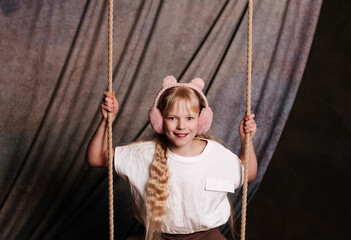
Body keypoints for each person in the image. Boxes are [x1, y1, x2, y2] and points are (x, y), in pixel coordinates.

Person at [86, 75, 257, 240]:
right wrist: (106, 121)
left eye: (189, 118)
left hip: (205, 236)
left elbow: (248, 174)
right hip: (155, 235)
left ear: (201, 120)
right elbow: (96, 157)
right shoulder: (143, 154)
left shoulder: (216, 155)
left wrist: (246, 142)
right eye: (172, 118)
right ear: (159, 121)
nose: (181, 126)